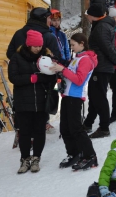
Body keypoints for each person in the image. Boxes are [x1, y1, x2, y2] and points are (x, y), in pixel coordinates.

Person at [8, 30, 56, 174]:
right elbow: (13, 77)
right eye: (35, 46)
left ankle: (36, 158)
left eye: (39, 46)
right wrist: (30, 78)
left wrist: (42, 77)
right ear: (28, 44)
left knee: (40, 131)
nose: (37, 48)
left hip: (42, 100)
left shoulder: (46, 57)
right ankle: (24, 159)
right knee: (25, 132)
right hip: (23, 101)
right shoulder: (17, 57)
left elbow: (52, 78)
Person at [49, 33, 99, 171]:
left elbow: (79, 80)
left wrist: (63, 70)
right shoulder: (76, 58)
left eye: (73, 45)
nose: (71, 47)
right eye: (70, 45)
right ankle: (74, 153)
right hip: (67, 96)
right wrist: (58, 66)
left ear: (82, 44)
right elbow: (69, 74)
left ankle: (90, 156)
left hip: (75, 98)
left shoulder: (86, 59)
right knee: (65, 128)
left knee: (76, 129)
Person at [82, 5, 116, 139]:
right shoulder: (101, 25)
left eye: (88, 14)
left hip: (102, 67)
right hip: (99, 66)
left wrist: (115, 59)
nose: (86, 16)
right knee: (94, 96)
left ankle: (104, 127)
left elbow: (107, 47)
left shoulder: (101, 27)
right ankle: (88, 123)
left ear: (93, 15)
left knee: (99, 97)